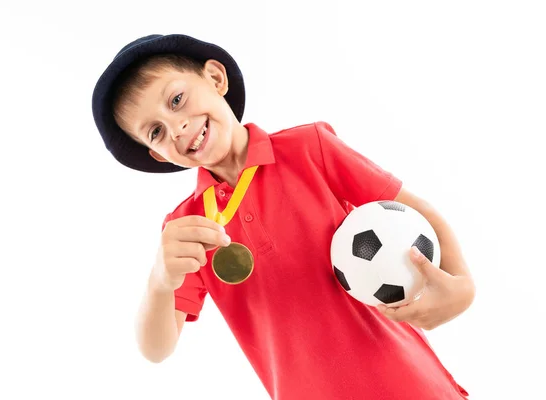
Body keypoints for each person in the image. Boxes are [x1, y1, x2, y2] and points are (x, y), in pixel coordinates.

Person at [92, 34, 475, 399]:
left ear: (215, 77)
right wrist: (161, 279)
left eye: (176, 100)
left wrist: (462, 285)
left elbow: (412, 211)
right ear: (158, 156)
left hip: (411, 386)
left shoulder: (310, 148)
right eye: (156, 132)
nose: (177, 128)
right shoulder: (188, 228)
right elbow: (156, 349)